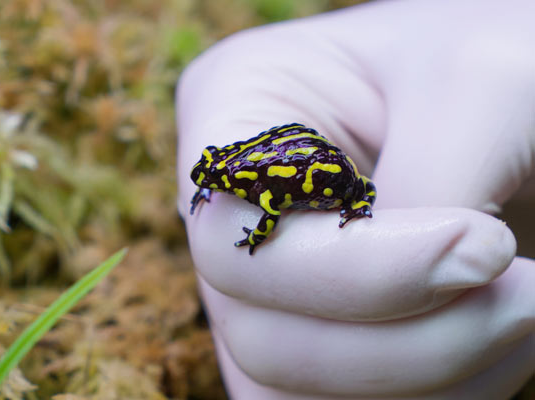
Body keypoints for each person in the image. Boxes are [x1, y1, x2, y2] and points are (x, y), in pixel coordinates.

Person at [175, 0, 535, 398]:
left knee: (357, 191)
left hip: (334, 176)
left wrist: (256, 238)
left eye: (213, 175)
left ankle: (357, 202)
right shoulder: (238, 173)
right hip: (308, 159)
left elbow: (272, 211)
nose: (207, 178)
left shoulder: (250, 183)